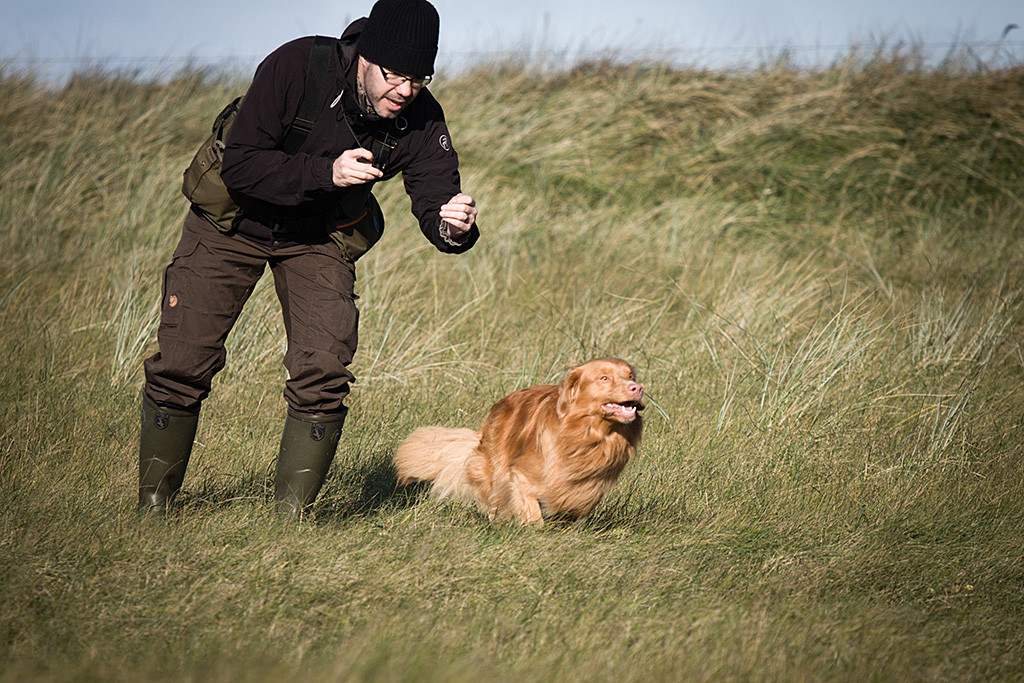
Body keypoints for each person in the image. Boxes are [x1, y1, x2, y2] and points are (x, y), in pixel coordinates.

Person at [137, 0, 479, 518]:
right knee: (182, 363)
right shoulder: (298, 67)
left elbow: (435, 197)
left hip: (318, 238)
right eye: (394, 76)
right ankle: (154, 507)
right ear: (365, 58)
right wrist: (327, 174)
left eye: (419, 77)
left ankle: (289, 522)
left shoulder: (420, 115)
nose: (405, 91)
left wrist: (453, 227)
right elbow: (242, 166)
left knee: (324, 371)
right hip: (232, 223)